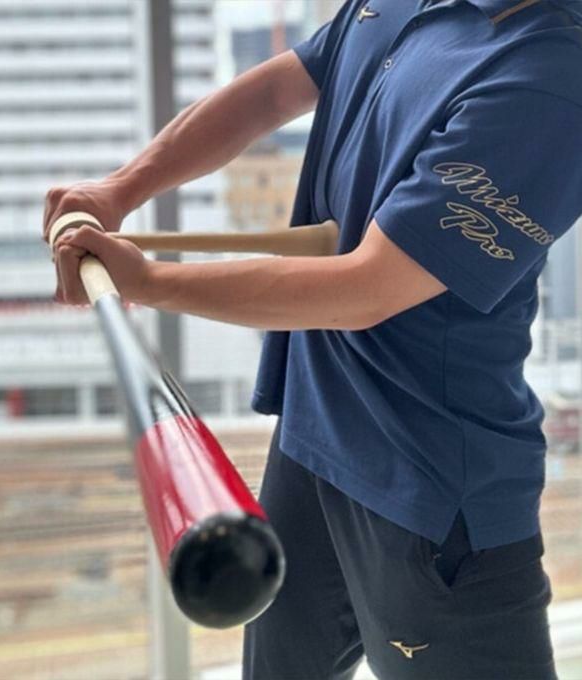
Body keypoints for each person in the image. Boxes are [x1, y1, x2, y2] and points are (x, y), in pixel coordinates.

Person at [44, 1, 582, 677]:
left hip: (432, 486)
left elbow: (367, 288)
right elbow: (275, 91)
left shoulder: (549, 77)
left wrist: (149, 281)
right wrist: (120, 190)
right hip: (314, 440)